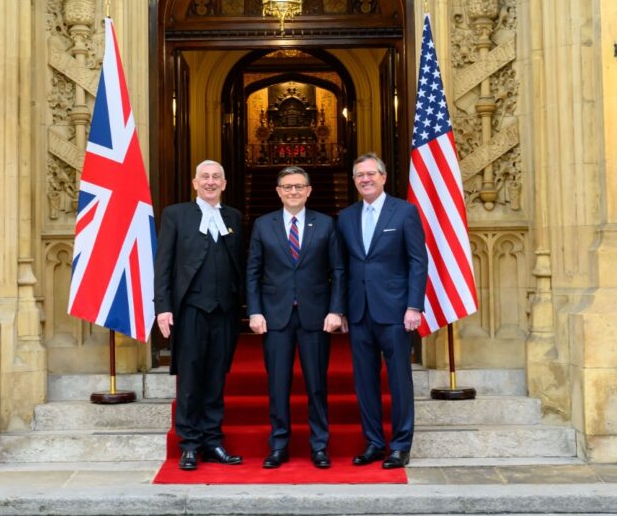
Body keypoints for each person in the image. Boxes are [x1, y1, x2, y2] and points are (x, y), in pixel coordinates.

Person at [246, 166, 346, 469]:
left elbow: (338, 271)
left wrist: (335, 310)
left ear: (309, 191)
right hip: (275, 317)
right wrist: (254, 310)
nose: (293, 192)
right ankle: (278, 445)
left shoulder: (326, 224)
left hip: (316, 316)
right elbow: (253, 271)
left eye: (299, 187)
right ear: (278, 191)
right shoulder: (263, 225)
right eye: (287, 187)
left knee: (316, 384)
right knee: (278, 384)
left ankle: (319, 446)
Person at [336, 152, 427, 469]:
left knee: (400, 381)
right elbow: (343, 268)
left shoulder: (404, 213)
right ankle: (374, 442)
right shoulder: (346, 217)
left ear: (383, 177)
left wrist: (414, 305)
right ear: (355, 180)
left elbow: (418, 261)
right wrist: (342, 309)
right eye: (360, 175)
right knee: (365, 382)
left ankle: (400, 445)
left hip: (396, 312)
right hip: (359, 313)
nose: (365, 179)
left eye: (371, 174)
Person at [153, 160, 246, 471]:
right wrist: (163, 306)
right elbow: (163, 264)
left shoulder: (233, 217)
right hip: (189, 311)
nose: (210, 182)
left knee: (216, 379)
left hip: (224, 312)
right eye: (204, 177)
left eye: (216, 177)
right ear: (194, 183)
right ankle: (189, 445)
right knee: (191, 380)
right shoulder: (176, 215)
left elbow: (239, 266)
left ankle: (212, 440)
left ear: (224, 183)